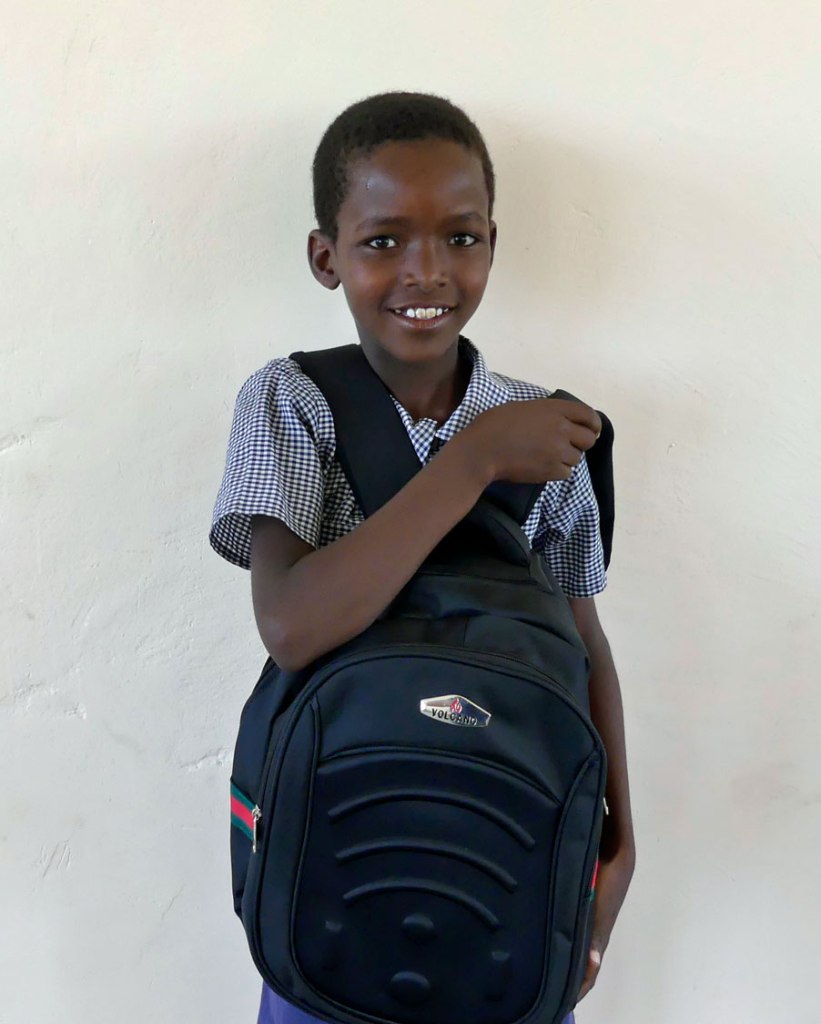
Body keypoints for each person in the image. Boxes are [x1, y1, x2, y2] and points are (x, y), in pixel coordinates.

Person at [210, 91, 635, 1024]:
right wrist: (476, 457)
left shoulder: (548, 429)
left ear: (492, 244)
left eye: (461, 237)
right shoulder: (294, 403)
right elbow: (291, 625)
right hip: (333, 865)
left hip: (512, 869)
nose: (427, 270)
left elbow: (582, 643)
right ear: (326, 257)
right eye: (383, 241)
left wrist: (620, 842)